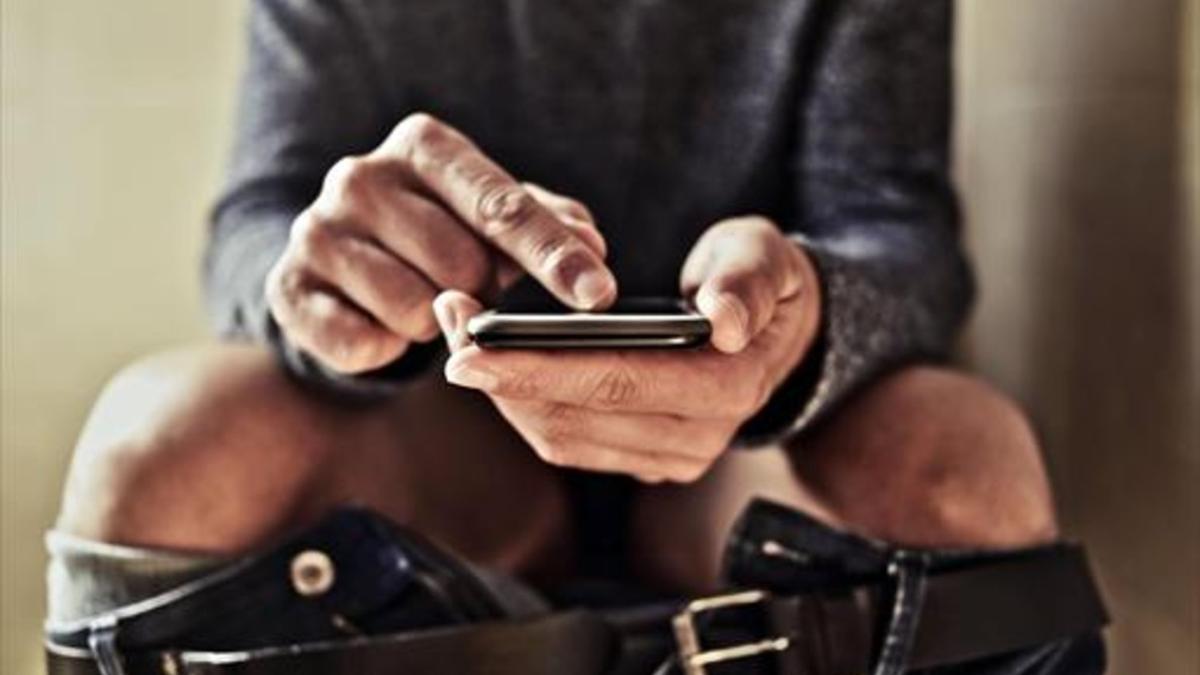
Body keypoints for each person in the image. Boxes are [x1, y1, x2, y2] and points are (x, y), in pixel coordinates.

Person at [49, 0, 1059, 625]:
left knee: (966, 469)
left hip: (743, 463)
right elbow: (256, 226)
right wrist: (326, 289)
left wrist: (803, 321)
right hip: (432, 442)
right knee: (166, 444)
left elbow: (902, 235)